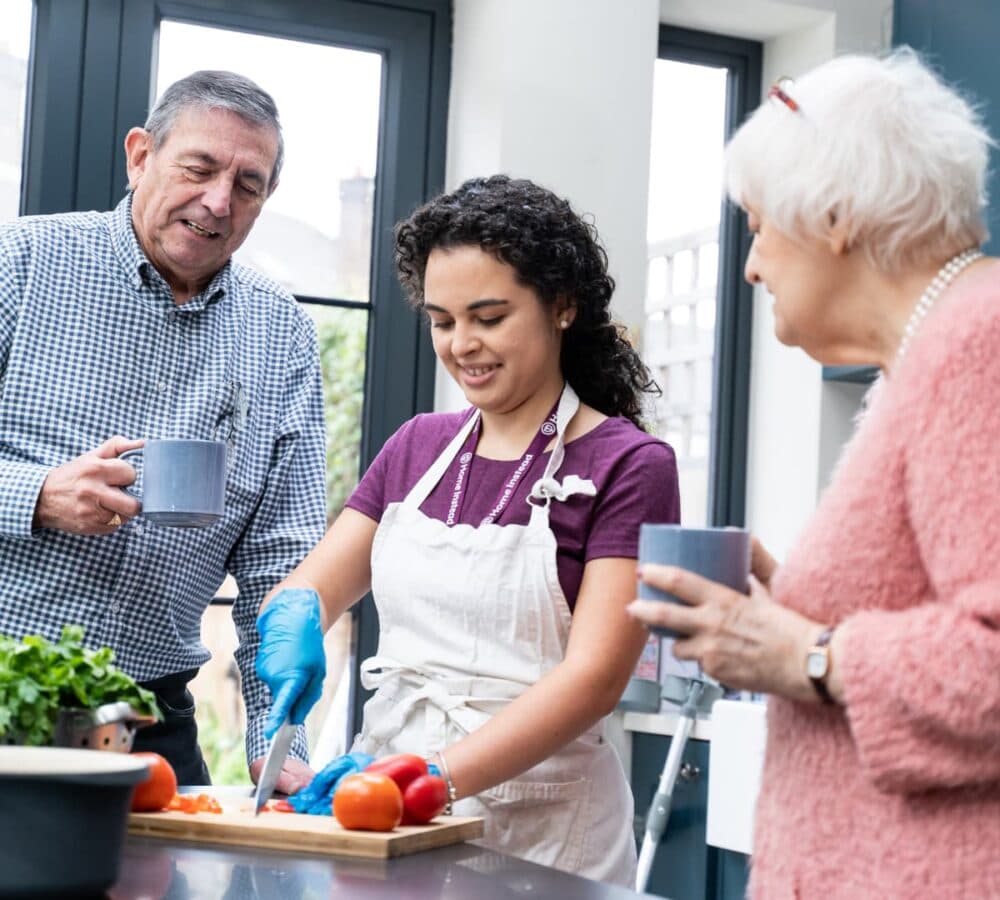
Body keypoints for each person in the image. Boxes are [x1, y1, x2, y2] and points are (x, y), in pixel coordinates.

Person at [627, 49, 1000, 898]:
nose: (752, 265)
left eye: (757, 224)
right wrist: (785, 613)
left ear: (833, 215)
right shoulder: (930, 355)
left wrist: (808, 655)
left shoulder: (979, 342)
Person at [255, 175, 680, 884]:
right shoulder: (418, 446)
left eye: (488, 317)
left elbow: (594, 679)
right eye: (443, 320)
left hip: (544, 833)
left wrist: (430, 778)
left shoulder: (629, 465)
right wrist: (294, 617)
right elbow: (313, 585)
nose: (462, 345)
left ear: (563, 307)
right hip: (386, 809)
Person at [0, 71, 326, 790]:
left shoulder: (284, 334)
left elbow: (282, 559)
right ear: (140, 155)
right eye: (200, 168)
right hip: (6, 689)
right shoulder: (17, 263)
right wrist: (34, 494)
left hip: (153, 718)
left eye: (249, 184)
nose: (218, 201)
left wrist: (280, 742)